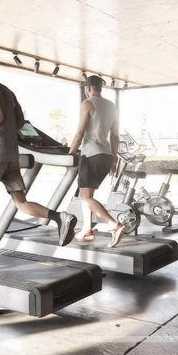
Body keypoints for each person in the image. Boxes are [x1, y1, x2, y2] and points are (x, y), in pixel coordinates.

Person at [0, 53, 76, 263]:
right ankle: (59, 217)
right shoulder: (7, 91)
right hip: (11, 153)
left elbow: (0, 116)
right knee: (20, 202)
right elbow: (19, 122)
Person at [67, 75, 124, 247]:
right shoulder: (112, 106)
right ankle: (87, 229)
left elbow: (80, 133)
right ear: (100, 88)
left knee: (85, 196)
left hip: (91, 155)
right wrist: (114, 159)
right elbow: (114, 136)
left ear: (88, 88)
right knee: (88, 194)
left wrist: (69, 154)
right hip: (106, 156)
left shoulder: (87, 103)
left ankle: (114, 224)